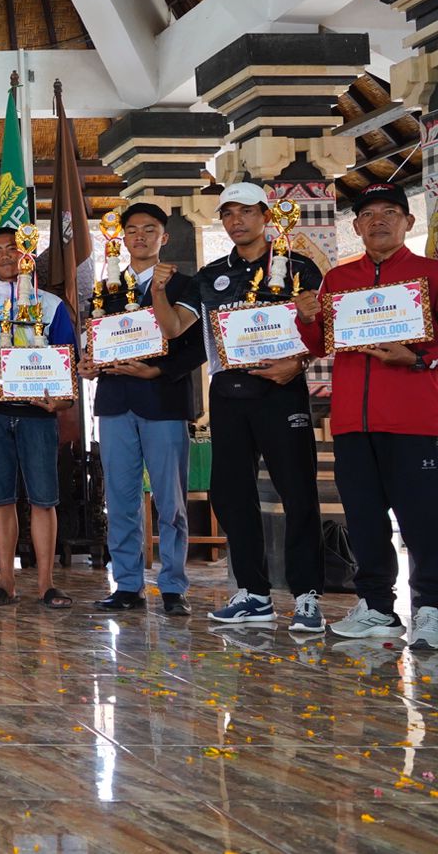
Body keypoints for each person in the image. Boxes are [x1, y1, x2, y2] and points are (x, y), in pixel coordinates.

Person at [295, 183, 438, 647]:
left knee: (424, 520)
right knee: (363, 519)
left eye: (389, 212)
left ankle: (432, 609)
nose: (379, 220)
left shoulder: (431, 274)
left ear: (408, 222)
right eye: (368, 214)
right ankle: (377, 607)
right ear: (356, 226)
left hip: (415, 420)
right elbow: (320, 346)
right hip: (352, 424)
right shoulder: (338, 279)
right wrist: (308, 318)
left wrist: (417, 358)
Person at [189, 181, 325, 631]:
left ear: (266, 216)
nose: (236, 221)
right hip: (228, 394)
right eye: (228, 214)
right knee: (231, 494)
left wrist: (298, 363)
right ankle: (253, 594)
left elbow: (323, 332)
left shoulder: (300, 267)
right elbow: (195, 336)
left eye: (245, 212)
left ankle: (306, 595)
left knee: (298, 491)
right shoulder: (210, 275)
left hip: (282, 392)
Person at [83, 204, 205, 617]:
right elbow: (96, 341)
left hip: (163, 401)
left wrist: (158, 370)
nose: (140, 236)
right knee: (120, 499)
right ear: (123, 238)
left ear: (163, 237)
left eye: (149, 229)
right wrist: (89, 364)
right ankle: (127, 584)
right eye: (132, 229)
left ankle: (172, 586)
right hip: (115, 402)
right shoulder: (108, 287)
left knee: (170, 501)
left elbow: (195, 345)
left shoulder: (185, 285)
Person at [0, 226, 78, 609]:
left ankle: (46, 584)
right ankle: (6, 582)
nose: (6, 256)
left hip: (38, 413)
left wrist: (61, 400)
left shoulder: (51, 305)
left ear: (27, 253)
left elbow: (68, 354)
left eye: (13, 248)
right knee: (1, 500)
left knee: (44, 499)